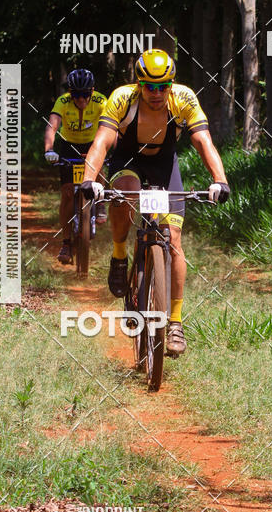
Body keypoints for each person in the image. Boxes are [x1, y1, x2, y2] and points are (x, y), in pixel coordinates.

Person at [80, 48, 230, 357]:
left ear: (171, 84)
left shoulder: (184, 98)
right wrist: (90, 179)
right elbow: (102, 142)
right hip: (128, 160)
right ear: (139, 84)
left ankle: (174, 322)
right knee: (125, 194)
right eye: (150, 86)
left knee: (173, 240)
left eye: (163, 87)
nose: (157, 93)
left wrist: (220, 180)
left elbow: (203, 141)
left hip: (164, 164)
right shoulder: (122, 98)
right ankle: (120, 255)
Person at [44, 69, 108, 264]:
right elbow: (52, 126)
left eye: (85, 94)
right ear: (71, 93)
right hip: (68, 146)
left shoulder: (101, 101)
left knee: (102, 166)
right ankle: (66, 242)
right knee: (67, 193)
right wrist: (49, 150)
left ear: (92, 91)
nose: (81, 99)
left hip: (92, 144)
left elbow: (112, 126)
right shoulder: (63, 102)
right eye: (77, 95)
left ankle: (101, 202)